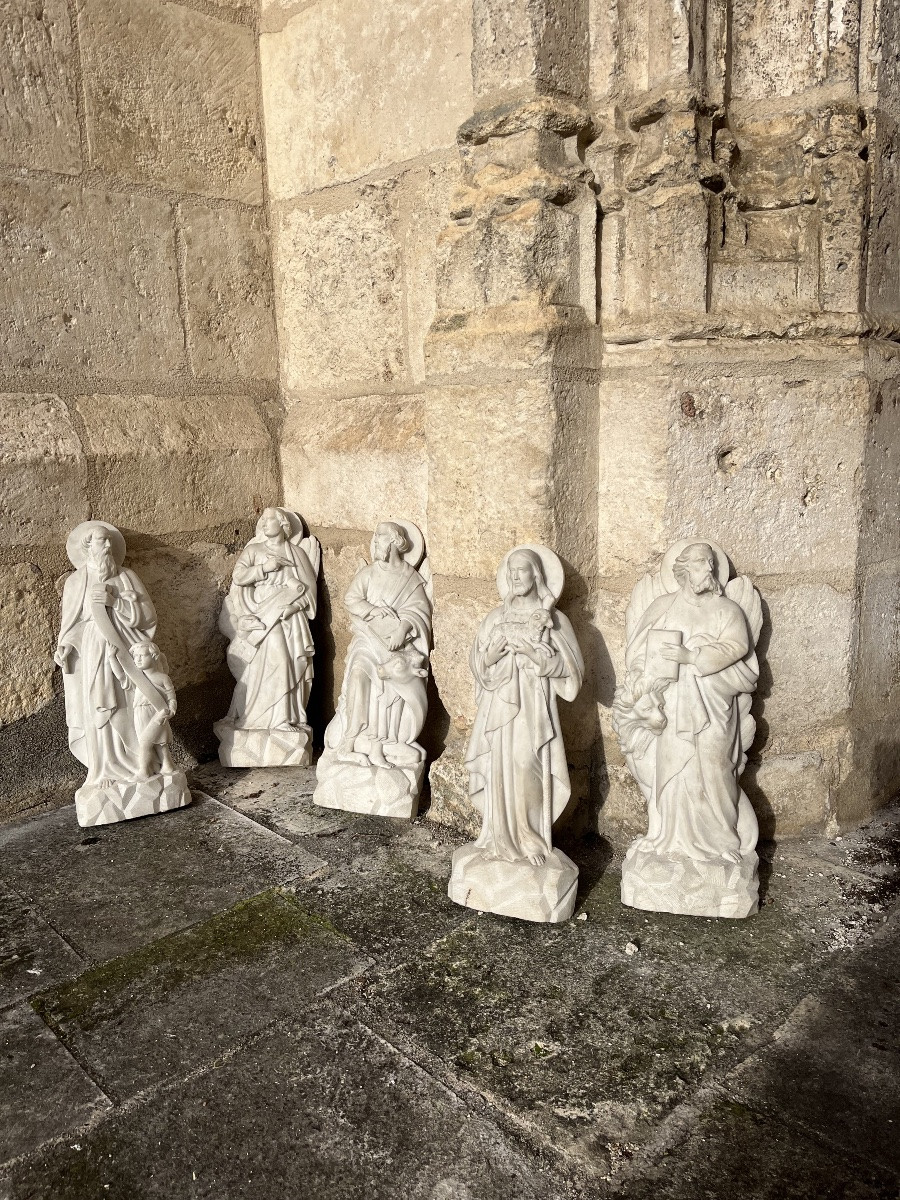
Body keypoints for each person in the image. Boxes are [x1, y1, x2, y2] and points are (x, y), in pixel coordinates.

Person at [618, 542, 759, 865]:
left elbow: (737, 648)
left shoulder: (728, 611)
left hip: (712, 704)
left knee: (715, 767)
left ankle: (724, 840)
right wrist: (646, 673)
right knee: (673, 769)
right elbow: (637, 654)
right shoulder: (663, 606)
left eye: (710, 564)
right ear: (682, 569)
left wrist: (692, 656)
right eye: (699, 564)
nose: (707, 570)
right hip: (671, 704)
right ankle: (668, 837)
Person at [465, 548, 584, 866]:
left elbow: (571, 671)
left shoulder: (553, 621)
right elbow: (478, 664)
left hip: (532, 706)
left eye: (522, 570)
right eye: (511, 571)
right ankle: (498, 838)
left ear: (536, 575)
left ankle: (531, 838)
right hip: (498, 707)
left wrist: (536, 656)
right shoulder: (495, 617)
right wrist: (490, 658)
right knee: (498, 768)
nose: (515, 576)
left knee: (525, 764)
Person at [55, 522, 157, 787]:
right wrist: (65, 648)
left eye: (111, 541)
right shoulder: (75, 582)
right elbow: (71, 626)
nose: (109, 546)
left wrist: (118, 603)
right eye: (103, 541)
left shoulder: (126, 577)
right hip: (93, 652)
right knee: (99, 704)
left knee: (130, 703)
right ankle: (104, 769)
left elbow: (147, 618)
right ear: (88, 547)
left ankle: (139, 763)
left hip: (125, 649)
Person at [326, 521, 432, 769]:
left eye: (380, 537)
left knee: (392, 684)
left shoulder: (410, 578)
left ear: (396, 542)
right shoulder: (368, 573)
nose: (375, 542)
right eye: (374, 538)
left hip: (395, 646)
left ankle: (384, 742)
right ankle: (352, 736)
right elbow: (351, 599)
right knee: (358, 676)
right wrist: (373, 610)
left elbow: (418, 611)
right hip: (367, 641)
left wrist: (403, 629)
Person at [220, 508, 319, 733]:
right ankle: (262, 718)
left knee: (290, 662)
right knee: (273, 662)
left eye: (269, 519)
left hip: (288, 616)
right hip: (262, 615)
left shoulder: (297, 554)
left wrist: (294, 606)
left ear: (283, 524)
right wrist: (265, 568)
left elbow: (309, 590)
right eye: (262, 520)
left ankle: (283, 718)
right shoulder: (254, 550)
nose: (264, 523)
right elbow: (239, 577)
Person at [129, 641, 177, 779]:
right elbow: (121, 676)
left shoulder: (163, 678)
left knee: (147, 742)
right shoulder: (138, 678)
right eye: (135, 656)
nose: (137, 659)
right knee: (158, 743)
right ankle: (167, 766)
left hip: (157, 712)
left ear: (154, 656)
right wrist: (113, 657)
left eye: (142, 656)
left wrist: (172, 710)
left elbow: (171, 696)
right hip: (140, 713)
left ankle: (144, 771)